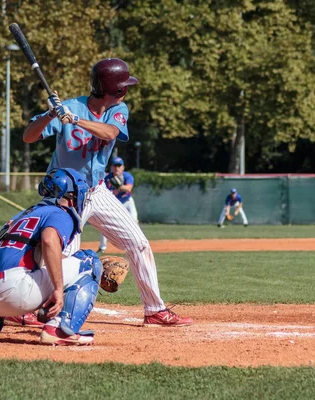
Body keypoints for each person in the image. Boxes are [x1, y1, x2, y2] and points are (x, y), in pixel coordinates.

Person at [22, 58, 192, 327]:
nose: (126, 90)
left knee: (138, 243)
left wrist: (75, 120)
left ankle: (155, 310)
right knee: (62, 256)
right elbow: (29, 137)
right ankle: (34, 308)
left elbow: (110, 133)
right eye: (124, 85)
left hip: (96, 191)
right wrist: (50, 115)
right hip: (67, 195)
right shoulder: (69, 106)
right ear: (116, 88)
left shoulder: (117, 109)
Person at [0, 168, 102, 346]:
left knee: (19, 264)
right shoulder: (60, 212)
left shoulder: (23, 214)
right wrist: (58, 288)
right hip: (12, 293)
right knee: (90, 261)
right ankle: (59, 330)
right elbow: (49, 240)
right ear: (71, 195)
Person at [97, 156, 138, 254]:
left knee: (134, 222)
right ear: (111, 167)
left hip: (127, 201)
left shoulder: (127, 176)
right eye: (115, 165)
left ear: (123, 167)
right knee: (104, 223)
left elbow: (128, 189)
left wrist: (119, 186)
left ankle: (135, 246)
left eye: (119, 166)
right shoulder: (107, 178)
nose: (117, 168)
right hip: (114, 203)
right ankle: (102, 247)